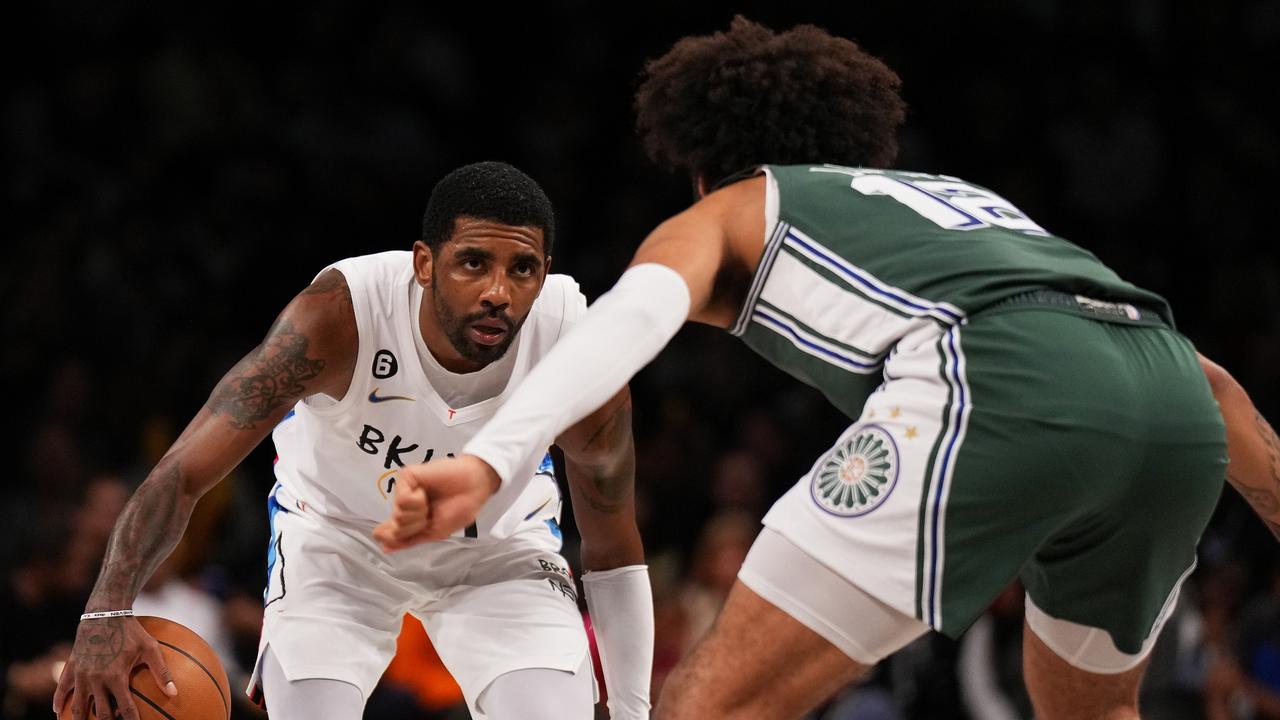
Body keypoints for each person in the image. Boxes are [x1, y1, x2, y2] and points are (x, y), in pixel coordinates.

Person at [374, 18, 1280, 720]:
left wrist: (491, 459)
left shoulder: (733, 207)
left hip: (1000, 381)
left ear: (702, 167)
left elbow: (632, 316)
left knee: (709, 704)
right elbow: (1210, 386)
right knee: (1094, 708)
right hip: (1169, 390)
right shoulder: (957, 202)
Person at [53, 161, 654, 720]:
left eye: (522, 269)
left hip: (497, 551)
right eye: (473, 262)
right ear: (424, 263)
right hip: (337, 543)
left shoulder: (576, 349)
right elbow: (184, 473)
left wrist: (633, 712)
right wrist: (106, 610)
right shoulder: (341, 315)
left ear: (544, 273)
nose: (498, 290)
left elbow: (613, 545)